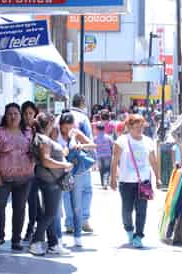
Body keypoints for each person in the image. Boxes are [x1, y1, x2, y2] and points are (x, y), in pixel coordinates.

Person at [110, 114, 161, 248]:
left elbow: (153, 161)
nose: (140, 129)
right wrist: (112, 178)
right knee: (127, 210)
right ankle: (129, 230)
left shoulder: (148, 141)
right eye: (137, 126)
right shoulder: (122, 140)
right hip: (125, 182)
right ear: (129, 127)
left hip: (144, 182)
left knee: (142, 210)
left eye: (142, 126)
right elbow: (114, 160)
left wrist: (158, 177)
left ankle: (139, 235)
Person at [0, 103, 34, 251]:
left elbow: (35, 150)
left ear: (20, 116)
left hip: (24, 178)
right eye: (10, 114)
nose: (13, 116)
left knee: (19, 209)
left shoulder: (28, 131)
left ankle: (16, 240)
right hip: (2, 177)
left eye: (16, 113)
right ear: (5, 116)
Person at [28, 113, 73, 256]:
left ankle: (53, 243)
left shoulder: (42, 138)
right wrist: (64, 164)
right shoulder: (43, 139)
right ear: (49, 123)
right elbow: (46, 160)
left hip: (50, 179)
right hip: (51, 180)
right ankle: (35, 242)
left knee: (51, 214)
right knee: (50, 213)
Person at [52, 111, 96, 247]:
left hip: (76, 171)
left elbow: (93, 145)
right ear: (60, 125)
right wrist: (65, 146)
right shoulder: (55, 132)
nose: (67, 131)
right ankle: (58, 237)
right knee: (57, 206)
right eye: (65, 128)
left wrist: (80, 145)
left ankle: (78, 236)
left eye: (70, 127)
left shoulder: (76, 132)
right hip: (59, 171)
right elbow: (55, 149)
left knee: (76, 205)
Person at [66, 95, 95, 234]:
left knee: (67, 190)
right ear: (82, 103)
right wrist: (92, 159)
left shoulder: (64, 115)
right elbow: (89, 140)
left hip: (65, 158)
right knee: (86, 189)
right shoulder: (83, 118)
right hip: (80, 158)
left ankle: (70, 222)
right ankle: (83, 219)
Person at [20, 101, 42, 242]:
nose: (28, 116)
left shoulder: (38, 130)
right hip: (21, 170)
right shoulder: (19, 129)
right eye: (26, 113)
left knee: (32, 200)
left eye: (31, 113)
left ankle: (31, 228)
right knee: (32, 201)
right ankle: (38, 229)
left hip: (36, 170)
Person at [94, 123, 114, 190]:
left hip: (99, 156)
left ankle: (103, 183)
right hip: (107, 155)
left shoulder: (95, 138)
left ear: (97, 129)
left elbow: (94, 147)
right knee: (107, 169)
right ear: (104, 129)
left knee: (101, 170)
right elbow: (112, 145)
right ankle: (106, 182)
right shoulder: (108, 137)